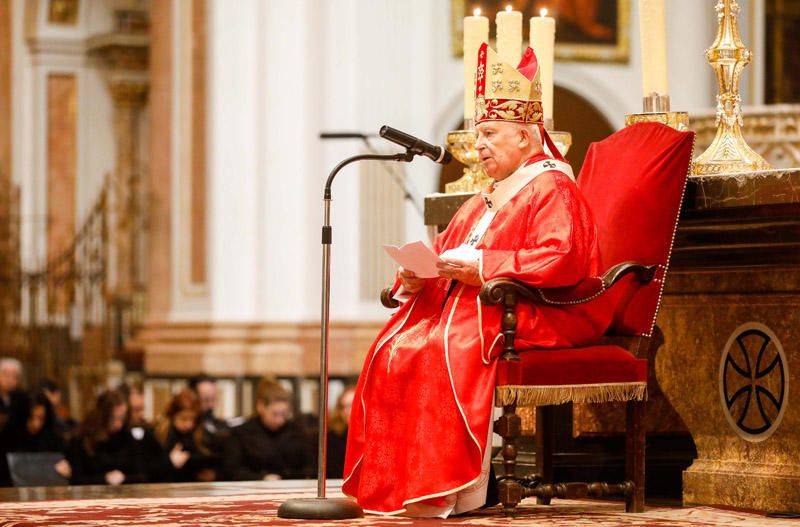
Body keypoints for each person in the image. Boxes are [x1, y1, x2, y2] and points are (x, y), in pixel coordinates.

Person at [342, 43, 611, 517]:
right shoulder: (487, 193)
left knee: (440, 348)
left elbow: (561, 257)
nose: (479, 145)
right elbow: (446, 249)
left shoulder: (553, 187)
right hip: (478, 305)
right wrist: (416, 273)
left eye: (489, 133)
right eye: (477, 133)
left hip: (539, 310)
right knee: (392, 348)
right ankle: (406, 485)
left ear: (526, 138)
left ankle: (456, 489)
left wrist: (483, 268)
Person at [224, 378, 310, 480]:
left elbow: (309, 467)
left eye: (284, 414)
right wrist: (261, 478)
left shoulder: (296, 432)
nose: (280, 420)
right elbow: (232, 471)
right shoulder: (241, 434)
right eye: (275, 414)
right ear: (260, 407)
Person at [67, 389, 148, 485]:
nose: (118, 424)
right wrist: (104, 478)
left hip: (125, 495)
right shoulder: (83, 438)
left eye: (121, 418)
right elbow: (76, 479)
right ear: (102, 416)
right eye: (113, 418)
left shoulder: (128, 436)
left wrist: (124, 478)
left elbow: (141, 475)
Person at [154, 388, 219, 482]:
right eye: (183, 419)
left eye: (192, 419)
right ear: (173, 416)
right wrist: (169, 462)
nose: (189, 424)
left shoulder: (200, 433)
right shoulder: (161, 434)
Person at [326, 385, 355, 479]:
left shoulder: (374, 437)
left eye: (352, 405)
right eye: (343, 407)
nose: (347, 411)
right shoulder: (333, 438)